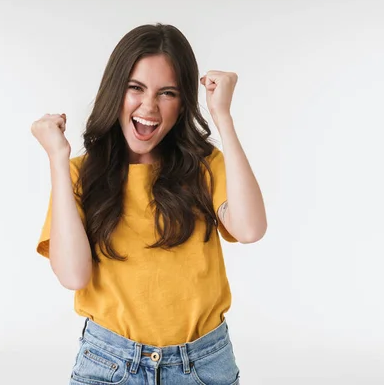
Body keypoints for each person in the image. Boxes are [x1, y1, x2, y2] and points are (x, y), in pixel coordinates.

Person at [31, 23, 267, 385]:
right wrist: (58, 160)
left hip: (202, 365)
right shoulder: (80, 175)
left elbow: (250, 229)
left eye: (167, 93)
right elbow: (73, 275)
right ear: (115, 90)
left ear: (183, 101)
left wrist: (223, 116)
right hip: (109, 364)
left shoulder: (204, 167)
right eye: (135, 88)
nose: (149, 106)